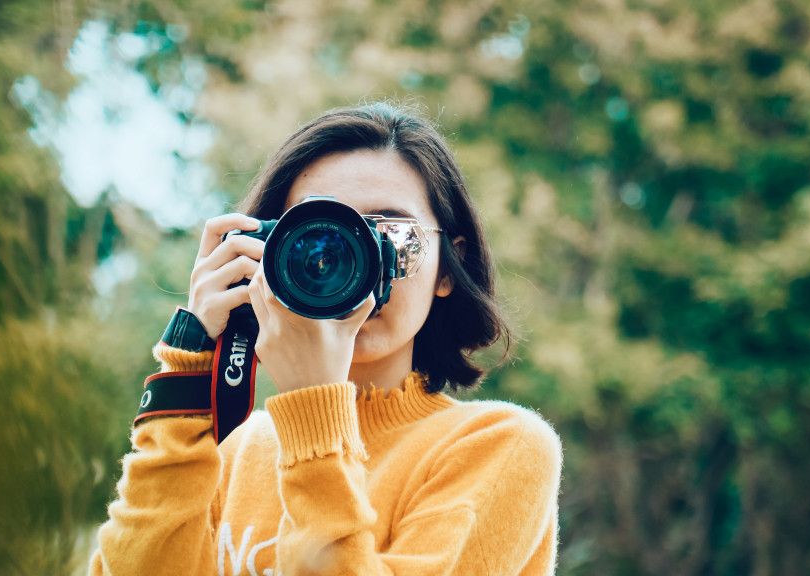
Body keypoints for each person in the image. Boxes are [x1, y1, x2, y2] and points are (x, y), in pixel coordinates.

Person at [88, 102, 563, 575]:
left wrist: (315, 412)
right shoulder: (231, 450)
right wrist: (187, 374)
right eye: (317, 236)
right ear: (265, 254)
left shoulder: (499, 449)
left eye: (392, 235)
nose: (349, 259)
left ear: (448, 268)